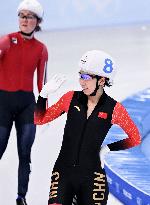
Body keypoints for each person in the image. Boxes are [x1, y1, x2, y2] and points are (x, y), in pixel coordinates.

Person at [34, 50, 141, 205]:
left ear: (102, 80)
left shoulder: (114, 109)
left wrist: (108, 149)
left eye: (86, 77)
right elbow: (40, 119)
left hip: (93, 175)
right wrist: (43, 95)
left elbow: (135, 138)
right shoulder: (70, 98)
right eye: (80, 75)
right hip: (64, 172)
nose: (81, 81)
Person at [0, 0, 48, 204]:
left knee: (25, 154)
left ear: (37, 21)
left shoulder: (41, 49)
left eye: (29, 16)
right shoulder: (6, 41)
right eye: (22, 15)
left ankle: (21, 197)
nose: (24, 20)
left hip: (27, 106)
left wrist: (43, 110)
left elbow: (43, 84)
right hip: (3, 103)